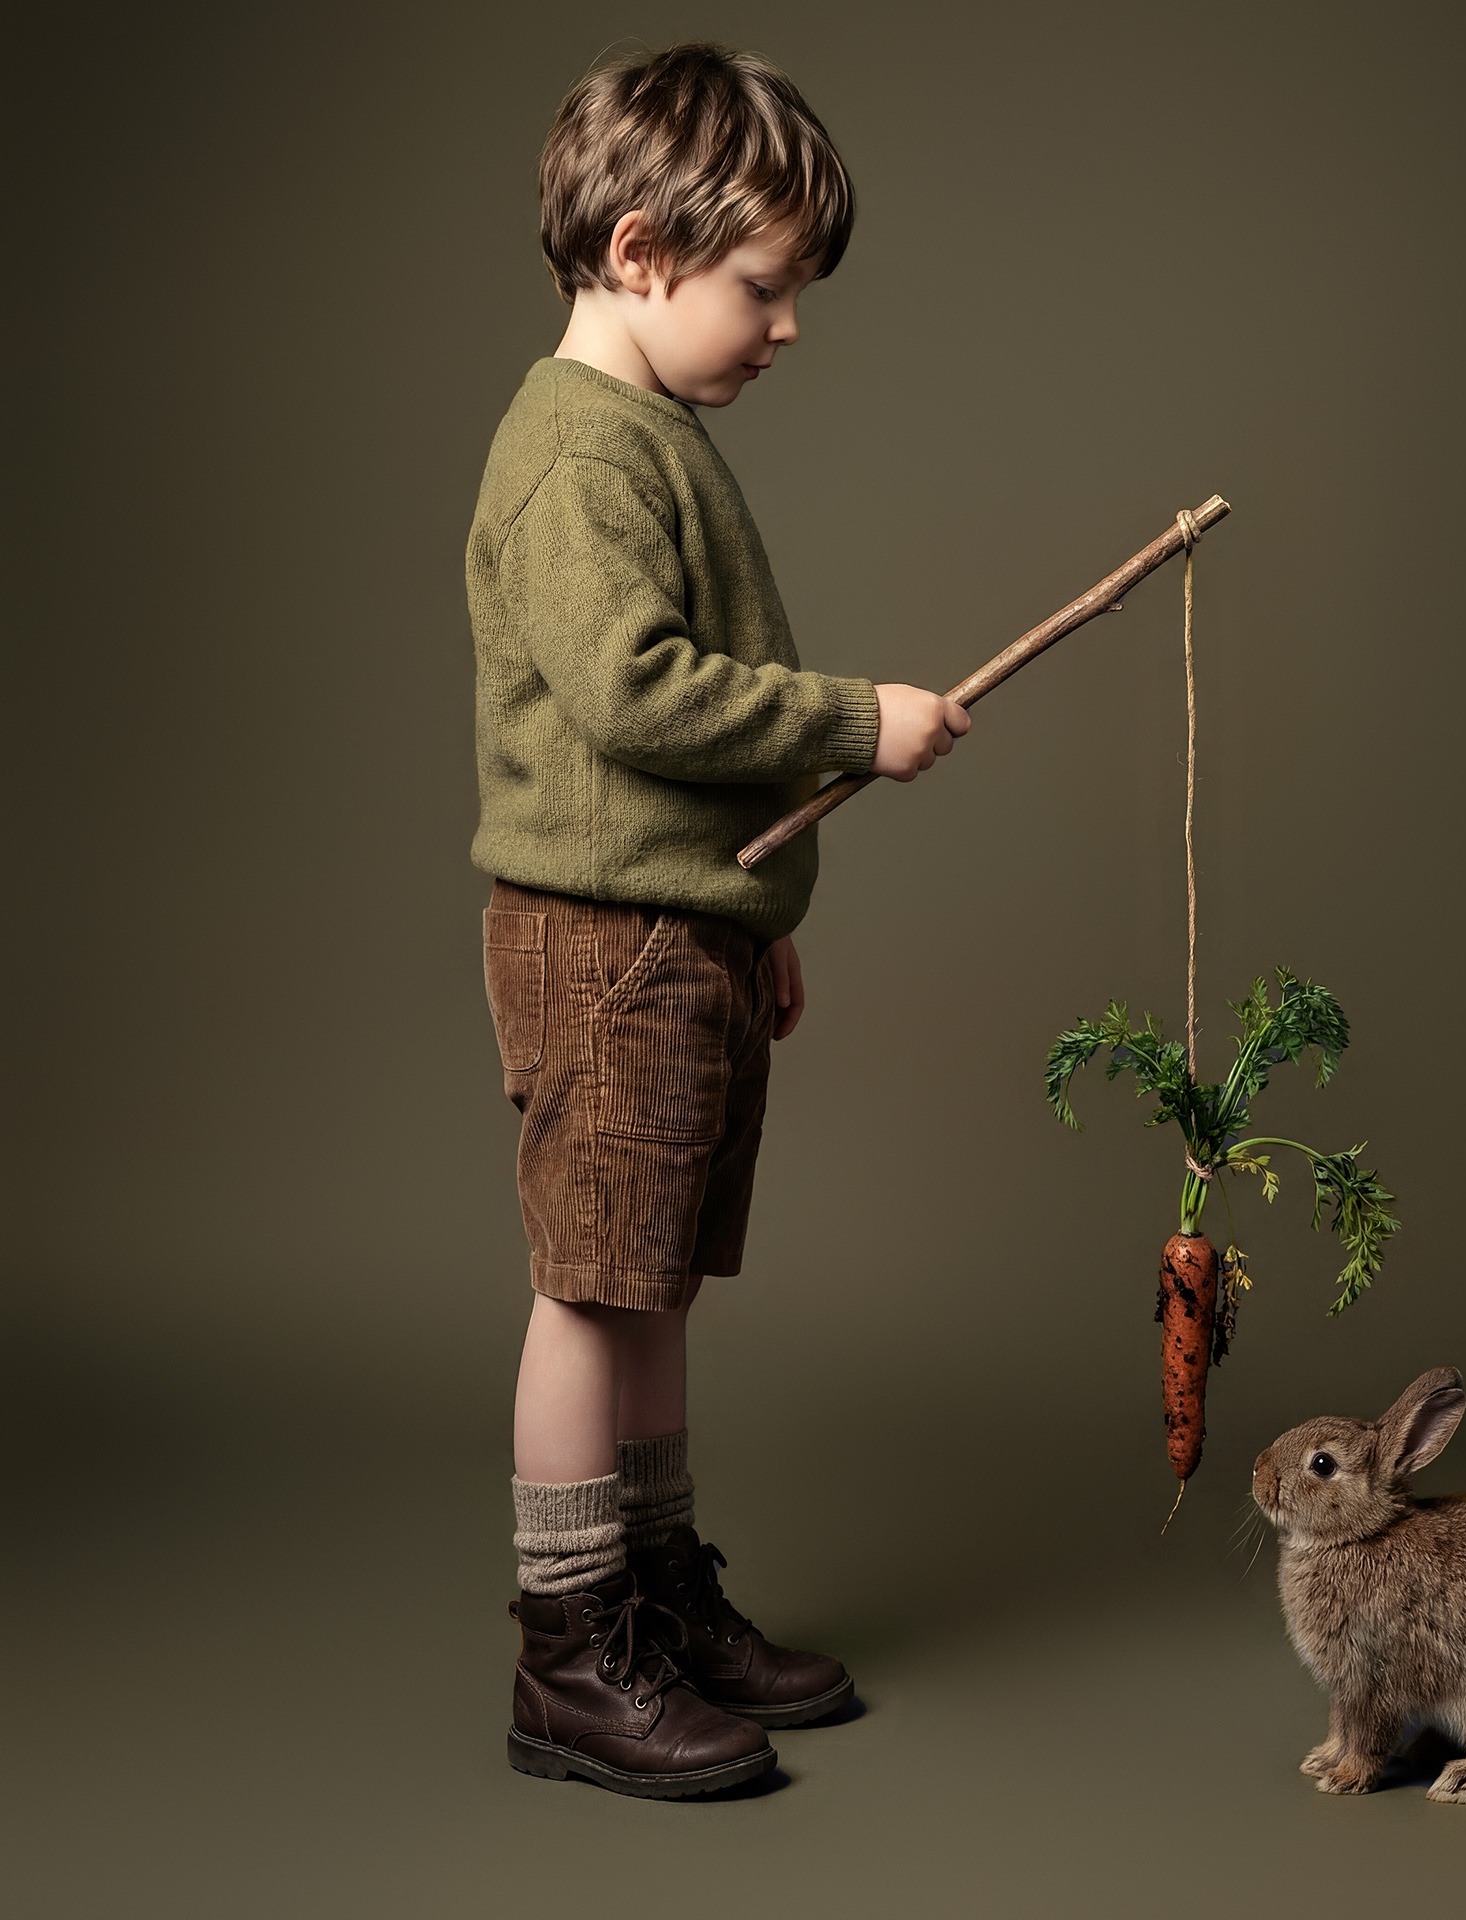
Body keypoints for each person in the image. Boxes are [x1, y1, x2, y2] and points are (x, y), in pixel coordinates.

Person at [467, 43, 969, 1798]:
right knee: (592, 1291)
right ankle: (569, 1650)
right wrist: (855, 724)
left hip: (675, 935)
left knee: (654, 1278)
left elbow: (657, 777)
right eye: (761, 286)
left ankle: (659, 1596)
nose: (785, 324)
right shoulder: (572, 452)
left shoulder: (643, 431)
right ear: (635, 250)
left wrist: (748, 912)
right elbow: (635, 696)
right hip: (603, 952)